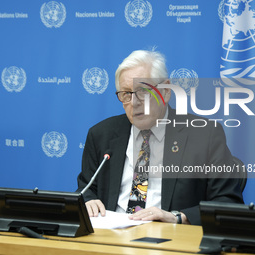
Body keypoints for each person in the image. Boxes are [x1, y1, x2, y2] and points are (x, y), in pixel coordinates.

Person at [76, 49, 243, 225]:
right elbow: (86, 188)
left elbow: (228, 203)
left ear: (165, 92)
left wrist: (178, 217)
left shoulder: (205, 135)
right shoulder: (102, 134)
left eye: (143, 91)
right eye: (126, 94)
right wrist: (87, 201)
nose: (134, 102)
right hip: (109, 238)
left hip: (171, 239)